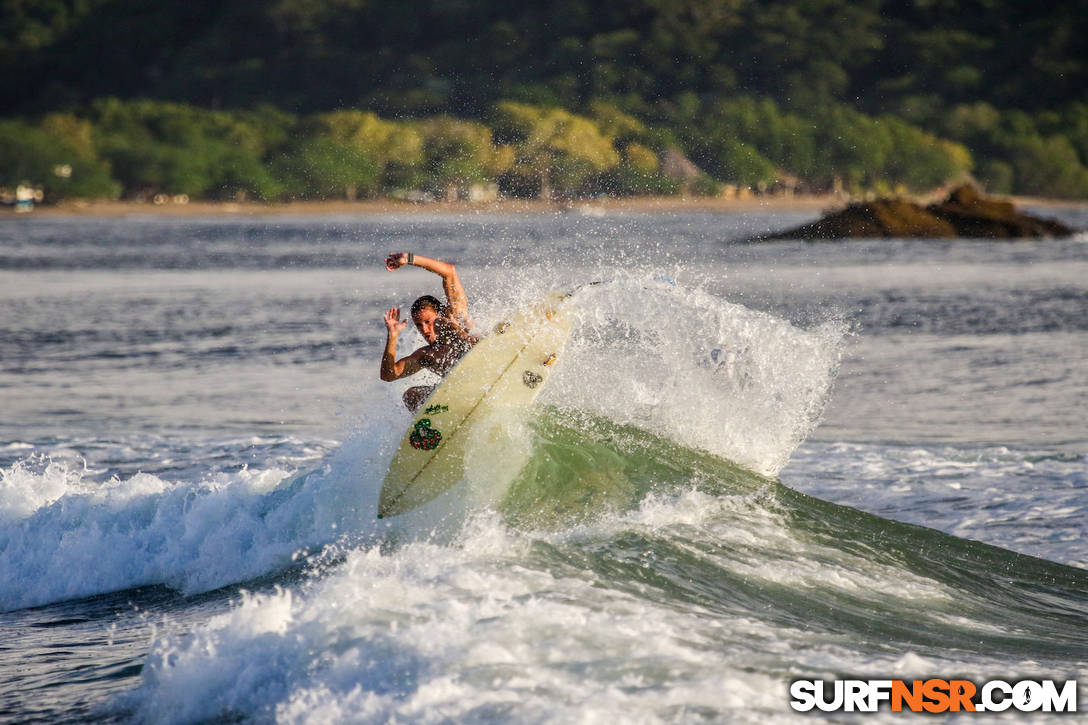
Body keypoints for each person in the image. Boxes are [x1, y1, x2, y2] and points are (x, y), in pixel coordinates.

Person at [379, 252, 479, 410]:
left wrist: (409, 259)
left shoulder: (455, 319)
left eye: (428, 322)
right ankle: (436, 430)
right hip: (460, 396)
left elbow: (449, 272)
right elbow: (389, 375)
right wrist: (392, 336)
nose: (425, 330)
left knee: (468, 327)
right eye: (419, 325)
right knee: (411, 395)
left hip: (484, 363)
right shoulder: (427, 355)